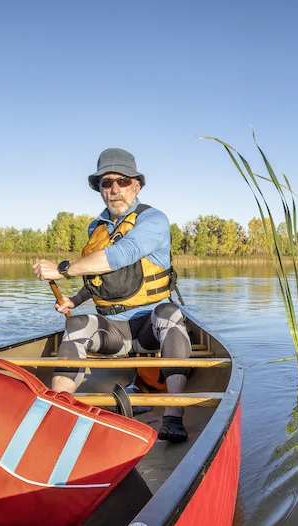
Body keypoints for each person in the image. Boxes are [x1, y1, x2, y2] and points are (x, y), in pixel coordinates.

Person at [32, 148, 190, 443]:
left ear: (137, 185)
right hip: (114, 332)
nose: (115, 189)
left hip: (149, 330)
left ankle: (173, 414)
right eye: (107, 183)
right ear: (100, 189)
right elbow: (99, 275)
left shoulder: (153, 220)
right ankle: (58, 410)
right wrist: (74, 301)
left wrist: (62, 269)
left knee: (170, 315)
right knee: (76, 324)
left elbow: (122, 255)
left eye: (123, 181)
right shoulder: (97, 227)